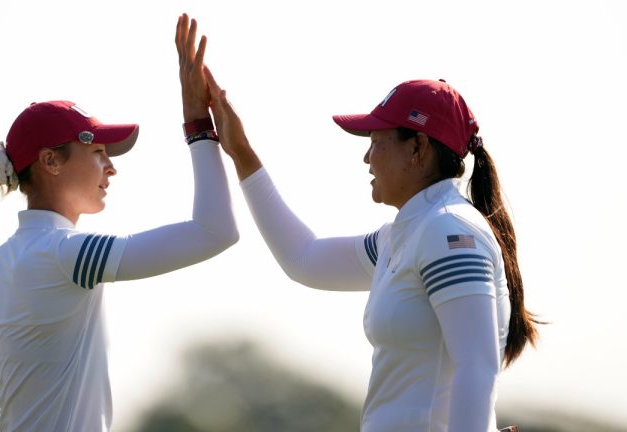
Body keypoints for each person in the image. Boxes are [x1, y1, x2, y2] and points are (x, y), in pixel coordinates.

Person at [0, 14, 237, 432]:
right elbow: (215, 232)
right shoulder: (68, 254)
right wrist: (198, 127)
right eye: (97, 151)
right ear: (49, 161)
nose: (110, 167)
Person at [204, 69, 539, 432]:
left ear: (417, 149)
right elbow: (305, 258)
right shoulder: (406, 234)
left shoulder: (447, 230)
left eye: (377, 141)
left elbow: (477, 364)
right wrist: (240, 153)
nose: (367, 158)